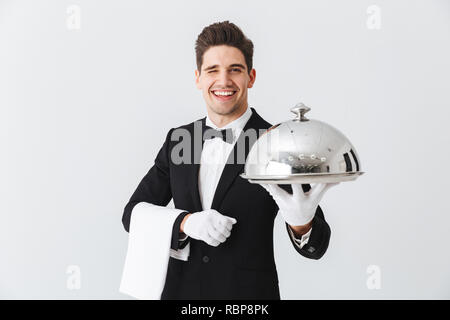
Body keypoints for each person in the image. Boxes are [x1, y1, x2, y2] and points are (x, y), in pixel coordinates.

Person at [120, 21, 338, 300]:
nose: (223, 81)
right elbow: (133, 214)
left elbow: (316, 247)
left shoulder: (277, 142)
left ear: (251, 77)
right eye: (213, 70)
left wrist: (301, 223)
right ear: (198, 78)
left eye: (235, 70)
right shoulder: (180, 139)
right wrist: (186, 223)